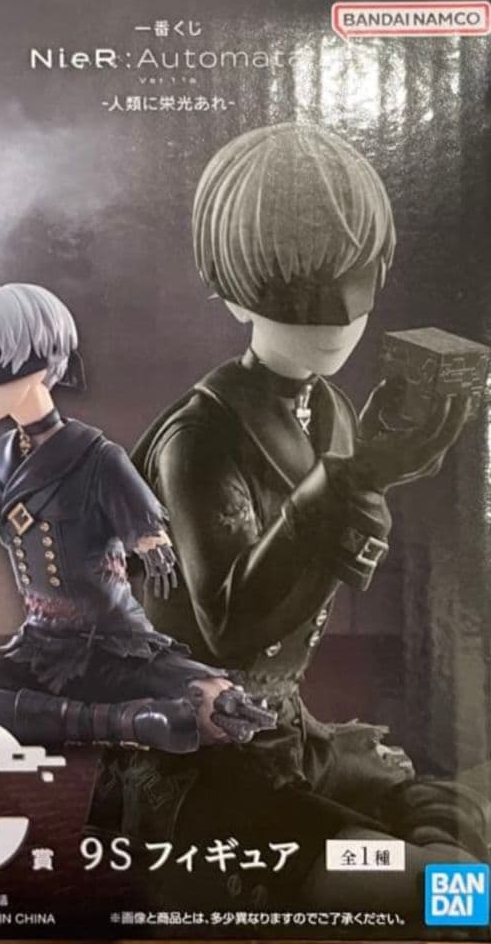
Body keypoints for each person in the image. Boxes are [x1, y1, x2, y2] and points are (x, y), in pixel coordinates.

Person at [87, 124, 490, 908]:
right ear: (234, 289)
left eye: (355, 282)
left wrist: (364, 476)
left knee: (456, 820)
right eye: (296, 291)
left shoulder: (331, 411)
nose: (334, 320)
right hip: (199, 773)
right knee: (450, 894)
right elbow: (231, 626)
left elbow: (327, 564)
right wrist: (354, 480)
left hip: (287, 739)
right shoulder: (198, 438)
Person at [0, 283, 273, 754]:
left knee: (217, 707)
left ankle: (122, 716)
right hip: (39, 651)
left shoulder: (96, 456)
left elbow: (149, 532)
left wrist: (151, 542)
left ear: (41, 365)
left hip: (116, 647)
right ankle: (124, 723)